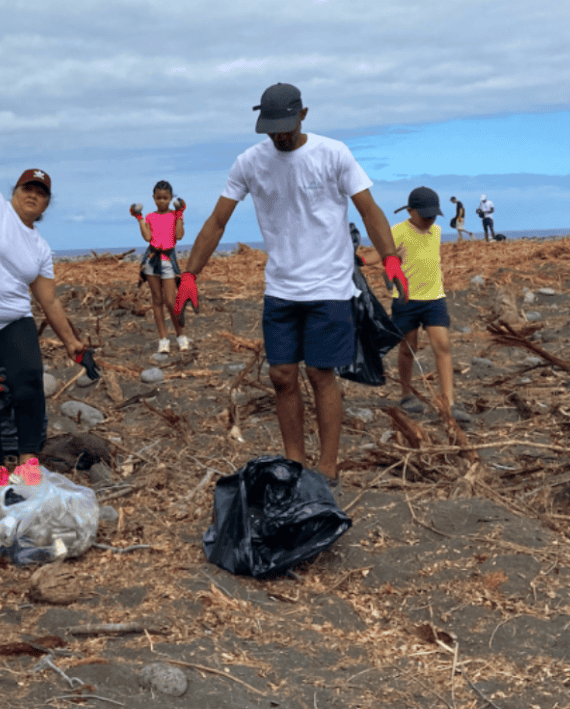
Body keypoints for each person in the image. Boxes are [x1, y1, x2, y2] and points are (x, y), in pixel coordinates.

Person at [174, 83, 409, 494]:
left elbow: (368, 210)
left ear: (303, 115)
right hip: (281, 287)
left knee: (321, 373)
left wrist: (389, 257)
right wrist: (191, 274)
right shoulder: (249, 162)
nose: (278, 136)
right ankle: (294, 461)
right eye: (270, 129)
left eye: (285, 126)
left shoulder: (333, 154)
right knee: (281, 375)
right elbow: (217, 222)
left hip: (329, 286)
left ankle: (329, 465)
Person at [0, 86, 96, 486]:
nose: (33, 195)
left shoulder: (40, 247)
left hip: (14, 319)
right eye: (27, 189)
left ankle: (29, 461)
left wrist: (72, 342)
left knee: (29, 381)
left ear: (47, 205)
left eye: (41, 193)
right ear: (14, 193)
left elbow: (47, 298)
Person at [362, 187, 470, 424]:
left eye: (433, 216)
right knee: (407, 348)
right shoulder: (399, 231)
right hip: (406, 301)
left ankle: (448, 403)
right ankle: (406, 393)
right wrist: (358, 260)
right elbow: (380, 254)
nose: (429, 220)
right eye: (425, 216)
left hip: (435, 299)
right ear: (410, 211)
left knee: (443, 346)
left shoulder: (437, 232)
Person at [131, 181, 190, 352]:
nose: (162, 201)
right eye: (158, 198)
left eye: (165, 198)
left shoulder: (174, 215)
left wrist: (180, 214)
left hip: (168, 260)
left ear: (171, 198)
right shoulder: (150, 216)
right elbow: (147, 237)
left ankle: (181, 335)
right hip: (151, 260)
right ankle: (163, 339)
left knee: (171, 302)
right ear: (153, 198)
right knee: (157, 301)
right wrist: (139, 218)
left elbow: (179, 235)